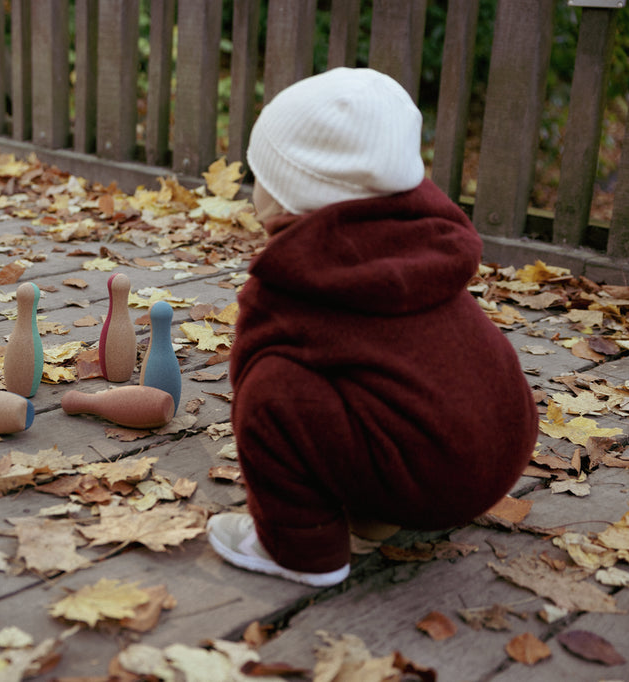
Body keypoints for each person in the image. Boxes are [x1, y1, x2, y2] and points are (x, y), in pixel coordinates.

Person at [206, 67, 539, 587]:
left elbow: (249, 372)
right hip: (497, 454)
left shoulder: (296, 278)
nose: (253, 190)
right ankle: (376, 513)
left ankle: (299, 551)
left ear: (294, 195)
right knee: (394, 373)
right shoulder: (422, 241)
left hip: (431, 474)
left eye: (261, 175)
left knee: (270, 391)